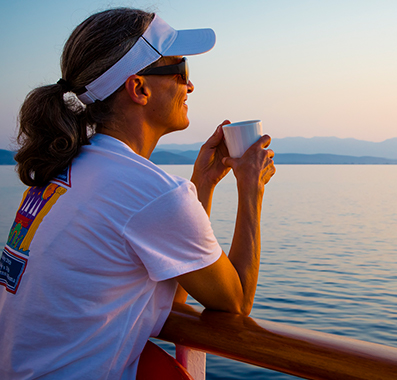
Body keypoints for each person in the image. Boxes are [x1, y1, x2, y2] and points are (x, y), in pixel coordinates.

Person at [0, 7, 275, 379]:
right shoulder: (149, 192)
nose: (190, 86)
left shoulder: (65, 169)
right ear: (139, 89)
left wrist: (203, 184)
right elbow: (236, 302)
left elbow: (176, 286)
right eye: (181, 71)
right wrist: (251, 188)